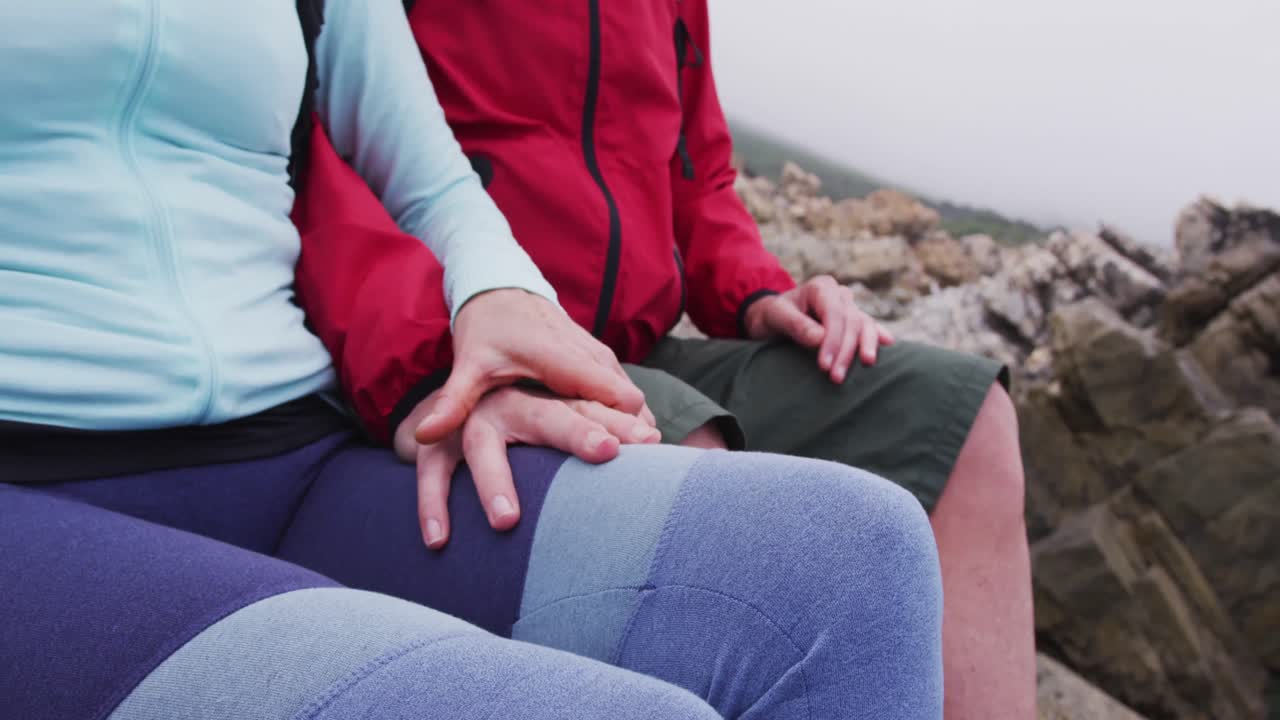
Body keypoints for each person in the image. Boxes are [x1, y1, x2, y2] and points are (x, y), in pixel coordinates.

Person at [0, 2, 943, 719]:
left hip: (290, 450)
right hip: (27, 480)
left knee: (854, 558)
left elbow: (429, 179)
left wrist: (492, 308)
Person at [294, 1, 1035, 717]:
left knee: (966, 421)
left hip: (637, 342)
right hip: (460, 334)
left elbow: (698, 174)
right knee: (694, 470)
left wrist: (759, 291)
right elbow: (318, 137)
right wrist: (422, 352)